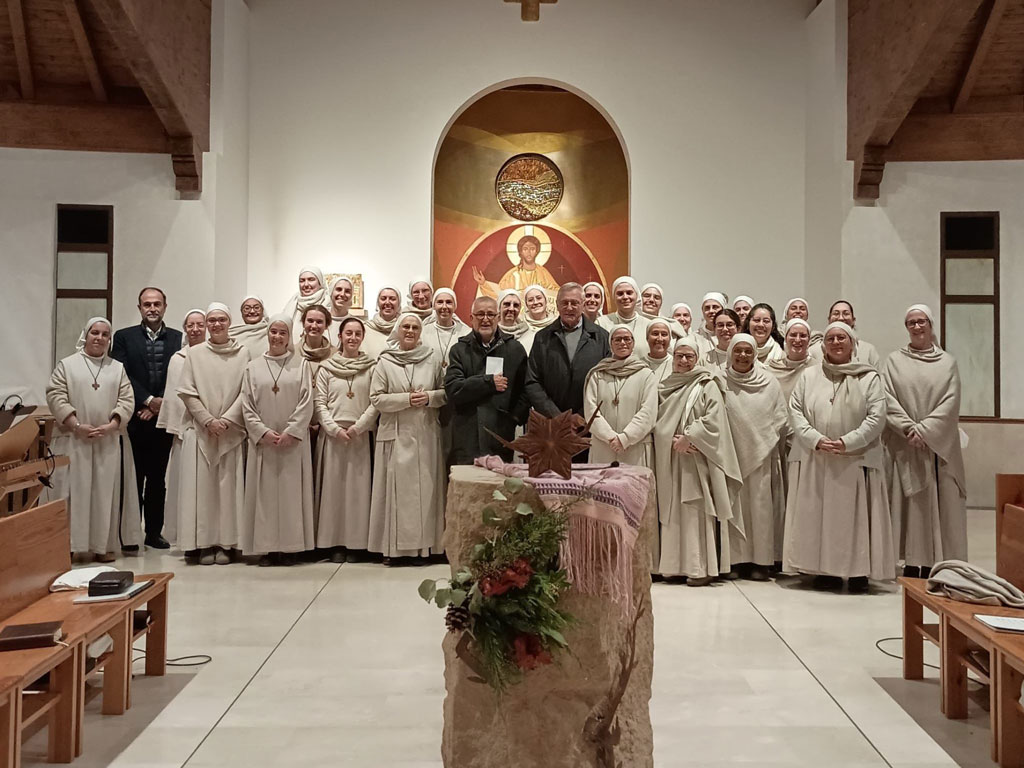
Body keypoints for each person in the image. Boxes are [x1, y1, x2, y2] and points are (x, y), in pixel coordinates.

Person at [783, 322, 895, 592]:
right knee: (820, 516)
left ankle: (858, 573)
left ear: (852, 343)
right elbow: (795, 411)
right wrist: (815, 439)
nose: (835, 343)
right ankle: (825, 571)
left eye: (841, 338)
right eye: (831, 338)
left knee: (855, 520)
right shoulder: (809, 376)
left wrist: (848, 442)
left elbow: (876, 417)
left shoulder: (869, 378)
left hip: (855, 459)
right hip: (817, 457)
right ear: (823, 345)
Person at [46, 317, 143, 562]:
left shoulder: (117, 368)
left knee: (104, 495)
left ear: (109, 339)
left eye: (105, 334)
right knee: (72, 494)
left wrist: (112, 425)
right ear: (86, 335)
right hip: (74, 440)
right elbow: (56, 395)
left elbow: (127, 400)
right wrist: (76, 425)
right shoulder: (67, 365)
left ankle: (103, 546)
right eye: (95, 333)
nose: (99, 338)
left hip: (107, 442)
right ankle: (69, 545)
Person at [881, 304, 967, 578]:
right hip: (904, 444)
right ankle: (910, 561)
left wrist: (926, 431)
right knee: (908, 505)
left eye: (921, 322)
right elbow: (886, 398)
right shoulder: (893, 361)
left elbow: (950, 402)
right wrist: (909, 429)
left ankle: (934, 562)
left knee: (936, 504)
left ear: (930, 325)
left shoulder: (947, 363)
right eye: (911, 323)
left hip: (936, 448)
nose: (917, 327)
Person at [654, 338, 742, 585]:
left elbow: (714, 419)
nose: (683, 361)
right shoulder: (665, 385)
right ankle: (673, 566)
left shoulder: (707, 383)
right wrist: (671, 440)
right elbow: (657, 421)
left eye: (689, 356)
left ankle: (699, 567)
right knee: (673, 513)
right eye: (679, 356)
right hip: (672, 458)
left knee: (695, 513)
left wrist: (690, 437)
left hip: (697, 459)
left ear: (698, 358)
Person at [368, 313, 447, 564]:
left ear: (420, 332)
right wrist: (406, 400)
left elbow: (446, 392)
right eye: (406, 327)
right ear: (398, 331)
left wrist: (429, 397)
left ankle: (423, 549)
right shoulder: (385, 361)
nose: (410, 331)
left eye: (415, 327)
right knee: (396, 494)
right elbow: (376, 398)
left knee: (425, 493)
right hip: (396, 434)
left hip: (425, 433)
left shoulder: (432, 358)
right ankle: (394, 551)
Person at [177, 303, 251, 565]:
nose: (216, 324)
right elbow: (187, 391)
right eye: (212, 320)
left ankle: (227, 544)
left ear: (229, 322)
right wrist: (208, 420)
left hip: (231, 431)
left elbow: (247, 391)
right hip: (201, 430)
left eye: (221, 320)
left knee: (227, 490)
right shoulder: (195, 354)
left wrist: (227, 420)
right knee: (202, 491)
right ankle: (203, 543)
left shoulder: (243, 353)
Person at [240, 315, 315, 566]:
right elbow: (247, 404)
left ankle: (292, 548)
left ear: (289, 336)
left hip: (292, 443)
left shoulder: (301, 365)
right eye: (274, 331)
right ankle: (268, 548)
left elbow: (307, 401)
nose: (277, 337)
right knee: (265, 497)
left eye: (283, 332)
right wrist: (262, 432)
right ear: (267, 334)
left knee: (292, 495)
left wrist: (292, 431)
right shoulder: (253, 367)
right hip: (265, 443)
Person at [111, 287, 181, 549]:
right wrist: (148, 400)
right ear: (139, 307)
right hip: (135, 419)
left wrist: (160, 403)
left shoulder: (178, 338)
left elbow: (179, 375)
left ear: (165, 306)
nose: (152, 308)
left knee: (157, 479)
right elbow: (122, 374)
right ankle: (130, 535)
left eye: (157, 304)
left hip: (163, 420)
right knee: (133, 478)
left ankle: (153, 533)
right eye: (147, 304)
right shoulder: (124, 337)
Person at [723, 334, 788, 581]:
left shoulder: (769, 382)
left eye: (748, 351)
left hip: (762, 456)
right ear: (730, 352)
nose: (743, 355)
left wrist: (763, 440)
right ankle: (734, 560)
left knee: (760, 510)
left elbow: (780, 415)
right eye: (738, 351)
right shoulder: (719, 379)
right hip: (729, 456)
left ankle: (761, 561)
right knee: (733, 509)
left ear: (755, 354)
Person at [315, 317, 379, 563]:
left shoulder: (371, 367)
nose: (353, 338)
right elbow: (319, 402)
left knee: (357, 494)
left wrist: (359, 427)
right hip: (333, 437)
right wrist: (334, 429)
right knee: (333, 493)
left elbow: (375, 401)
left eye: (357, 334)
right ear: (339, 336)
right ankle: (334, 543)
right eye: (348, 333)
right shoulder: (326, 368)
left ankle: (357, 544)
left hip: (360, 436)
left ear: (362, 337)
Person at [445, 296, 530, 463]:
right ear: (471, 318)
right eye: (480, 314)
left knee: (499, 479)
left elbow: (526, 389)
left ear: (498, 317)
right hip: (467, 436)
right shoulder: (459, 350)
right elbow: (453, 389)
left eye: (490, 314)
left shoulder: (515, 349)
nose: (485, 319)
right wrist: (488, 382)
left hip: (501, 435)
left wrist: (513, 419)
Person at [525, 282, 610, 422]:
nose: (569, 308)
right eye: (564, 303)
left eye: (574, 303)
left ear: (583, 304)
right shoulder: (542, 338)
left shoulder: (602, 337)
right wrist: (557, 416)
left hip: (590, 422)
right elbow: (532, 381)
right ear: (557, 305)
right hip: (551, 423)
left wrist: (583, 415)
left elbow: (607, 382)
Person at [157, 309, 206, 545]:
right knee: (183, 483)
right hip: (185, 430)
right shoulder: (178, 358)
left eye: (200, 325)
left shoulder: (214, 354)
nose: (195, 329)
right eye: (190, 325)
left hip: (210, 428)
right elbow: (173, 395)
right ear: (185, 329)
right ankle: (184, 534)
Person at [584, 327, 657, 467]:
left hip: (634, 446)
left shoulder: (646, 374)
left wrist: (625, 438)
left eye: (627, 339)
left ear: (633, 343)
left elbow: (648, 412)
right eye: (617, 339)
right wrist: (610, 437)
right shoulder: (598, 374)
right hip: (603, 446)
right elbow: (591, 410)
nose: (622, 343)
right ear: (610, 343)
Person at [473, 233, 560, 298]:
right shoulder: (513, 275)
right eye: (525, 249)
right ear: (520, 252)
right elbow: (500, 294)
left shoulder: (543, 273)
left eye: (532, 249)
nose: (529, 252)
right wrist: (483, 284)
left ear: (537, 251)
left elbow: (556, 293)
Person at [810, 300, 880, 367]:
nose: (841, 318)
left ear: (853, 320)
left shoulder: (868, 350)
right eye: (836, 314)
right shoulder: (814, 351)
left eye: (846, 314)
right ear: (829, 319)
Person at [597, 276, 651, 356]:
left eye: (629, 293)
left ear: (637, 295)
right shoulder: (601, 323)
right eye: (620, 294)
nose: (625, 297)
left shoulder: (649, 325)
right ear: (614, 297)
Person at [767, 319, 814, 402]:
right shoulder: (772, 369)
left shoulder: (817, 368)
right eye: (793, 335)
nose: (797, 340)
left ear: (809, 340)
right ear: (785, 338)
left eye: (803, 336)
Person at [422, 287, 469, 369]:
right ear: (434, 306)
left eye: (448, 302)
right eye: (440, 302)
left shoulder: (466, 333)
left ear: (454, 306)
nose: (444, 306)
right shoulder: (423, 332)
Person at [282, 266, 328, 339]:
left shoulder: (328, 304)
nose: (306, 284)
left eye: (311, 280)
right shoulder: (293, 303)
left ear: (320, 283)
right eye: (302, 280)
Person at [363, 285, 402, 359]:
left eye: (392, 299)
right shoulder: (365, 329)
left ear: (399, 303)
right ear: (378, 302)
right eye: (383, 298)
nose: (387, 302)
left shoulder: (405, 329)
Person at [497, 288, 535, 353]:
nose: (511, 309)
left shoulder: (530, 337)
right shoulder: (490, 333)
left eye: (516, 305)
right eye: (507, 304)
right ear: (499, 307)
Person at [298, 305, 333, 374]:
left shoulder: (334, 354)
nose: (314, 326)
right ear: (303, 323)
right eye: (310, 321)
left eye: (319, 322)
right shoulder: (293, 352)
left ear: (326, 325)